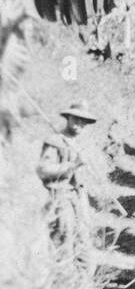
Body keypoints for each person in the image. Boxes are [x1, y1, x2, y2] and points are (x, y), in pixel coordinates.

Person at [37, 101, 97, 259]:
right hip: (59, 198)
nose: (79, 123)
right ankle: (63, 278)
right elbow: (43, 170)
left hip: (78, 198)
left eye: (83, 121)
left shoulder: (80, 144)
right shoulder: (55, 142)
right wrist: (72, 165)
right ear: (68, 118)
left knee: (85, 245)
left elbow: (82, 179)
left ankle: (83, 281)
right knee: (65, 239)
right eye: (75, 118)